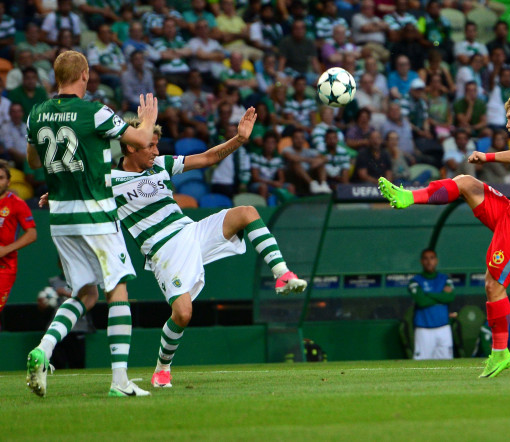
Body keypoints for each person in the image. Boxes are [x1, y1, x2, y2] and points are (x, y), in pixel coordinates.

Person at [106, 113, 306, 387]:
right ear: (130, 146)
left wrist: (239, 139)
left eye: (156, 145)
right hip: (164, 251)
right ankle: (163, 366)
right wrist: (53, 195)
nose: (156, 151)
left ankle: (281, 273)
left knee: (246, 212)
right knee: (183, 314)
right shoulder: (110, 181)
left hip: (190, 231)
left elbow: (208, 158)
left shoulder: (160, 165)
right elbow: (78, 190)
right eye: (150, 145)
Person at [379, 89, 510, 378]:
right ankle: (408, 197)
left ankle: (501, 353)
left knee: (493, 285)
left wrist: (488, 156)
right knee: (465, 182)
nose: (507, 125)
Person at [25, 50, 158, 398]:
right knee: (118, 290)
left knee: (85, 292)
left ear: (57, 76)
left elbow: (33, 160)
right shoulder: (95, 111)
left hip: (61, 218)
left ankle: (44, 350)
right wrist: (147, 119)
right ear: (84, 74)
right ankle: (119, 380)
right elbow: (141, 142)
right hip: (96, 213)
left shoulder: (36, 114)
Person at [0, 161, 37, 329]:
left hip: (4, 266)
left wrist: (6, 250)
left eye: (0, 178)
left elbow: (32, 234)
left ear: (8, 182)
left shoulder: (16, 203)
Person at [408, 249, 455, 360]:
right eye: (426, 258)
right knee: (421, 365)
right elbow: (421, 301)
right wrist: (440, 295)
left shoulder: (444, 279)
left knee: (447, 364)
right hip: (424, 329)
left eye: (432, 258)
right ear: (421, 261)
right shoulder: (415, 281)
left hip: (444, 327)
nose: (429, 261)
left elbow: (450, 297)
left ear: (436, 260)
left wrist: (427, 293)